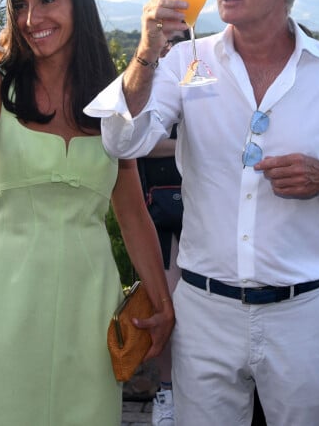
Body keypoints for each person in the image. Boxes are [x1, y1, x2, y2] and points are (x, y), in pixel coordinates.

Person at [84, 0, 319, 426]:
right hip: (205, 311)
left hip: (303, 313)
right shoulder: (186, 60)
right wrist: (146, 51)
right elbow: (123, 139)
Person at [0, 0, 175, 426]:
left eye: (48, 0)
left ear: (78, 3)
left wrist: (162, 302)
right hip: (6, 293)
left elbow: (132, 212)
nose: (32, 17)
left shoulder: (112, 99)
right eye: (20, 5)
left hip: (91, 297)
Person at [137, 31, 188, 426]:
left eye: (181, 38)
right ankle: (167, 392)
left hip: (204, 214)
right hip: (159, 217)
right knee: (165, 306)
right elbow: (139, 143)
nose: (172, 46)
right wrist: (188, 142)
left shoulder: (201, 78)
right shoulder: (143, 84)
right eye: (167, 39)